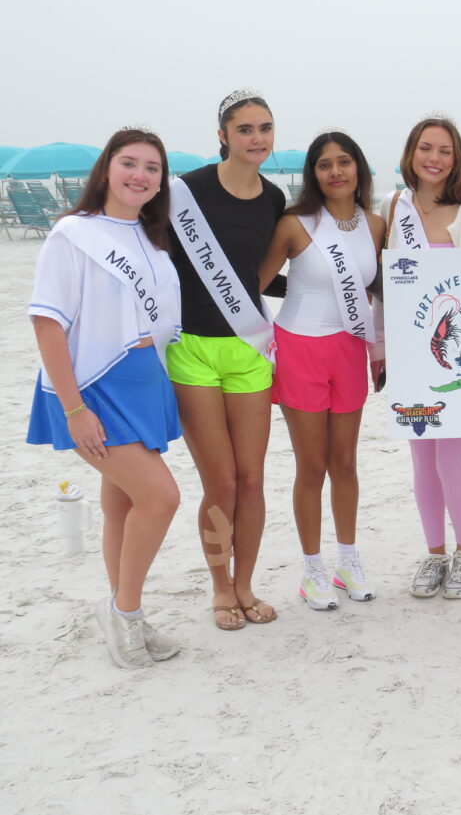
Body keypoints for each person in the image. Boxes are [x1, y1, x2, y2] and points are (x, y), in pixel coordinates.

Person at [27, 128, 182, 668]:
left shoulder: (151, 237)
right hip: (94, 388)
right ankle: (126, 612)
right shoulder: (73, 234)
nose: (140, 175)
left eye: (152, 168)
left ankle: (122, 610)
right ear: (107, 169)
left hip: (144, 383)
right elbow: (47, 322)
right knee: (161, 498)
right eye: (129, 163)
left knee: (123, 503)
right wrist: (74, 410)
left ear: (161, 182)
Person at [166, 90, 285, 630]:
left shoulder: (274, 199)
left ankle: (245, 585)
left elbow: (259, 274)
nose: (257, 138)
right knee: (223, 483)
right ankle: (220, 587)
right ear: (222, 135)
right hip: (191, 350)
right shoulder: (183, 193)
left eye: (265, 128)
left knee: (252, 480)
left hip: (248, 350)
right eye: (245, 129)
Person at [258, 132, 385, 610]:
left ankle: (347, 563)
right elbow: (256, 284)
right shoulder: (295, 224)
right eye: (324, 164)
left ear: (358, 168)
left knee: (345, 463)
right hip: (299, 348)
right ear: (313, 173)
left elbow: (384, 289)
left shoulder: (376, 224)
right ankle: (312, 570)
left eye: (344, 162)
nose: (335, 172)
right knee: (312, 466)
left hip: (349, 349)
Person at [385, 115, 461, 599]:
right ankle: (435, 553)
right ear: (411, 153)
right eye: (426, 148)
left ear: (457, 160)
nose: (434, 158)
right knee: (421, 460)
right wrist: (380, 349)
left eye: (445, 151)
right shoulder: (393, 207)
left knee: (451, 458)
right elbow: (383, 285)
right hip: (411, 356)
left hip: (458, 358)